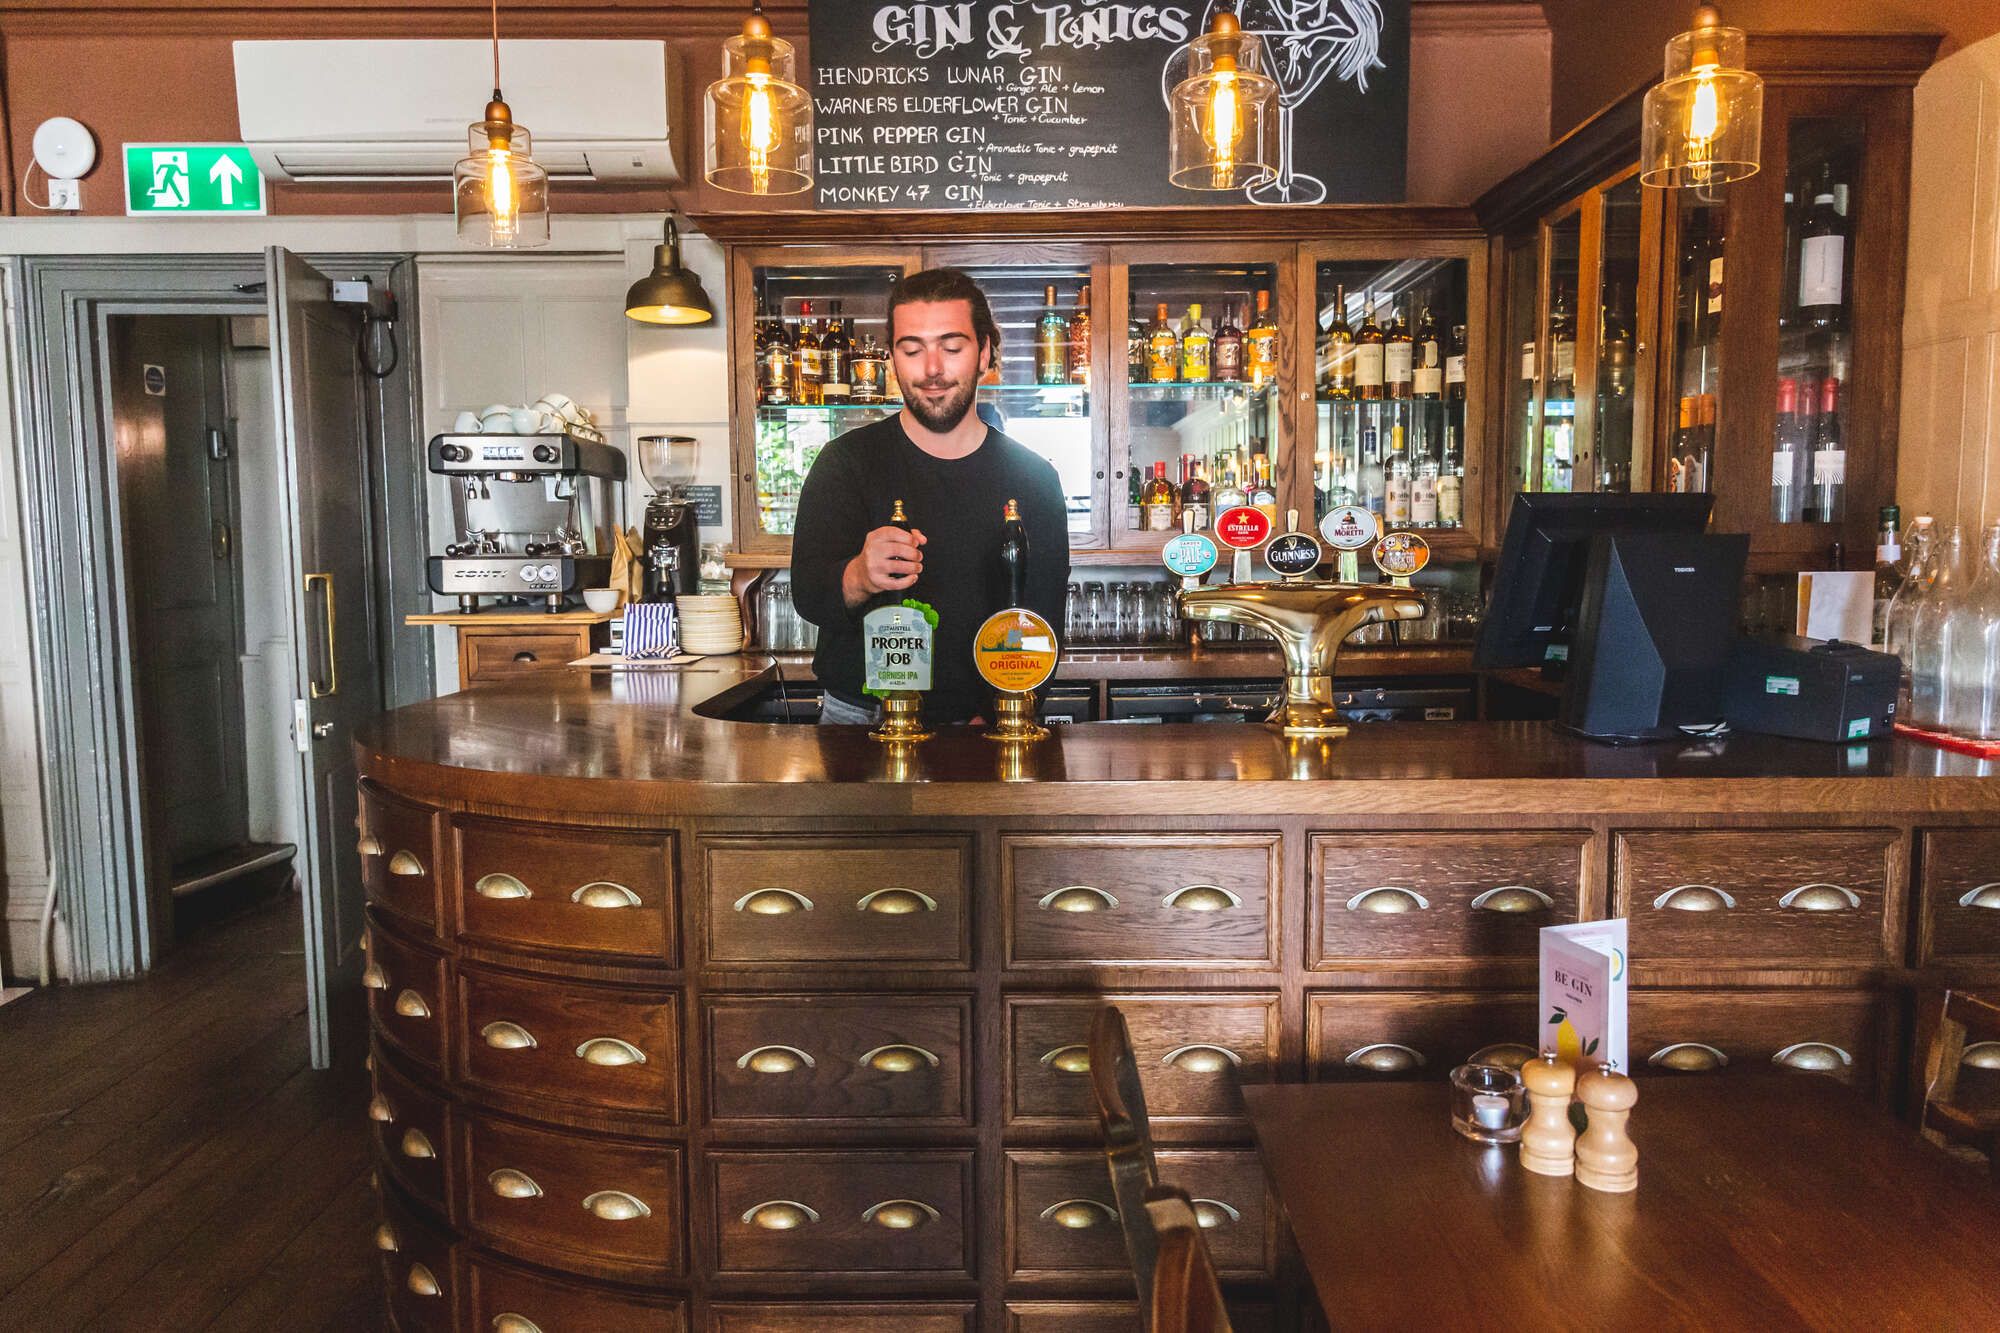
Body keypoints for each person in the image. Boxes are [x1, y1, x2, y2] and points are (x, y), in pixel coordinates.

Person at [791, 268, 1071, 725]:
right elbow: (808, 595)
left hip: (990, 720)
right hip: (863, 719)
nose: (933, 368)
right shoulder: (844, 462)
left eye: (952, 346)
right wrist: (859, 574)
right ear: (892, 358)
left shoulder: (1035, 478)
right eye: (912, 349)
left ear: (984, 353)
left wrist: (1008, 711)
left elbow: (1043, 617)